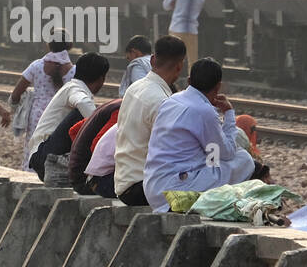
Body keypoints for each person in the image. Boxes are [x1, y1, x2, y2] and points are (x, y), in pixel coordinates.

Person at [143, 57, 265, 213]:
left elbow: (212, 153)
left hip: (152, 187)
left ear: (188, 81)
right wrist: (228, 113)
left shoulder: (171, 100)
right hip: (174, 190)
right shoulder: (203, 111)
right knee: (244, 159)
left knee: (218, 158)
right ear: (218, 87)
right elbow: (225, 153)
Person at [113, 35, 186, 206]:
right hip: (143, 187)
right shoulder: (163, 102)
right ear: (180, 66)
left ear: (153, 59)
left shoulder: (134, 88)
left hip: (124, 183)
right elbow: (172, 153)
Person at [26, 52, 110, 179]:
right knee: (83, 117)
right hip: (43, 156)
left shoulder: (71, 86)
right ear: (101, 79)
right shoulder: (74, 89)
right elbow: (81, 102)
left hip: (43, 155)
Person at [10, 36, 76, 167]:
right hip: (62, 118)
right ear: (68, 46)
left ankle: (30, 177)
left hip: (37, 117)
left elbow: (16, 94)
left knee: (33, 150)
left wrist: (15, 108)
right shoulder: (74, 71)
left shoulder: (37, 66)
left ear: (49, 45)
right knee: (58, 152)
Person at [70, 99, 122, 195]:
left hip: (77, 176)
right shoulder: (121, 111)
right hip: (89, 181)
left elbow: (73, 130)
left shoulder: (112, 104)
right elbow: (96, 146)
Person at [163, 0, 207, 73]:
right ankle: (192, 85)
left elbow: (166, 6)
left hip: (176, 29)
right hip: (192, 30)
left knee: (172, 59)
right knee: (193, 62)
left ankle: (169, 84)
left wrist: (174, 4)